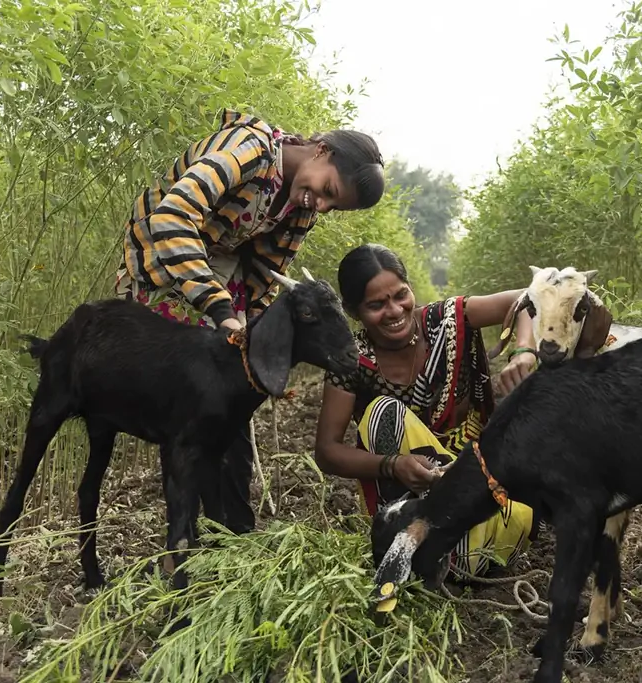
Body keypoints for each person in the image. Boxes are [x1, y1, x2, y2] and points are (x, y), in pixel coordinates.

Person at [115, 109, 385, 536]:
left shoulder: (302, 208)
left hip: (224, 282)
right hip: (165, 267)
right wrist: (222, 310)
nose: (322, 203)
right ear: (321, 150)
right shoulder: (250, 149)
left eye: (334, 205)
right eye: (328, 189)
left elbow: (265, 272)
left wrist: (263, 352)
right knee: (192, 408)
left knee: (232, 399)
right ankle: (184, 540)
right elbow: (172, 216)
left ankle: (230, 530)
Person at [314, 244, 541, 578]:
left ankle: (460, 545)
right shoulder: (353, 360)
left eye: (400, 295)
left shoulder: (448, 320)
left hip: (481, 478)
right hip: (410, 490)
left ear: (411, 288)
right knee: (382, 413)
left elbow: (526, 299)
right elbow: (327, 451)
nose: (394, 311)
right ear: (353, 311)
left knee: (464, 560)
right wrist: (392, 465)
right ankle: (415, 539)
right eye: (376, 305)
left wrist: (524, 350)